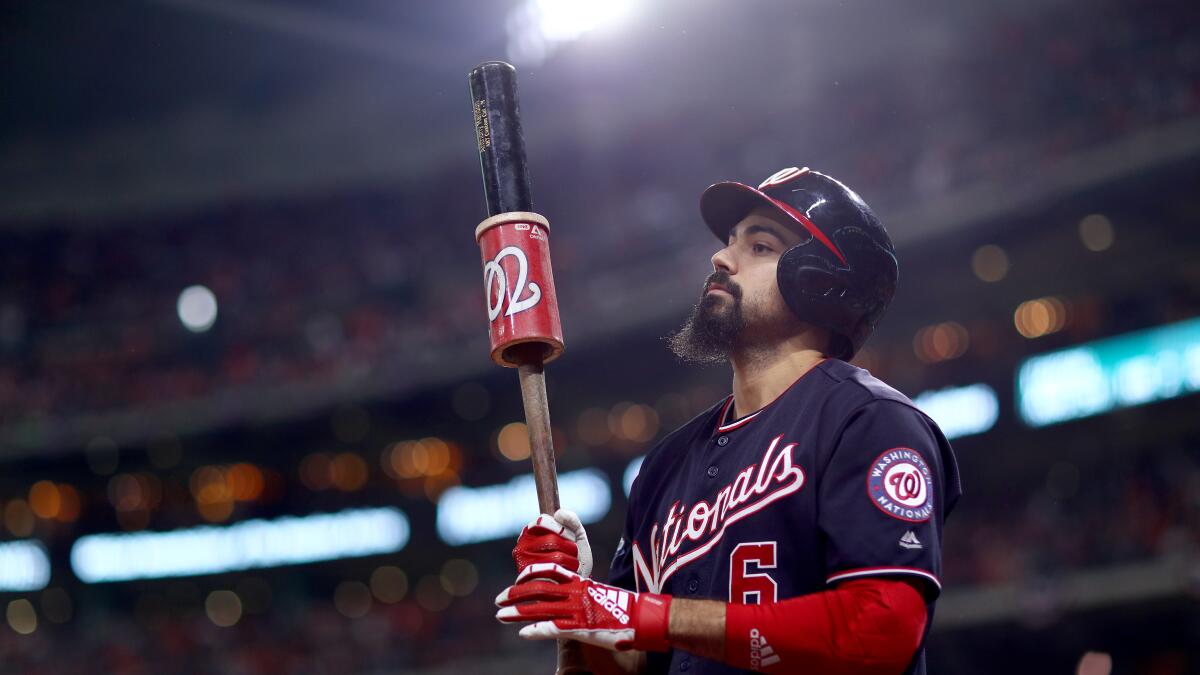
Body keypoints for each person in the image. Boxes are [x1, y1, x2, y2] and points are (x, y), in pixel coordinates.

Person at [496, 167, 962, 674]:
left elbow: (881, 631)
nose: (720, 258)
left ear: (822, 281)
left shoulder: (870, 421)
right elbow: (636, 663)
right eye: (729, 242)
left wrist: (645, 614)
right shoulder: (663, 465)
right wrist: (580, 612)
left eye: (759, 246)